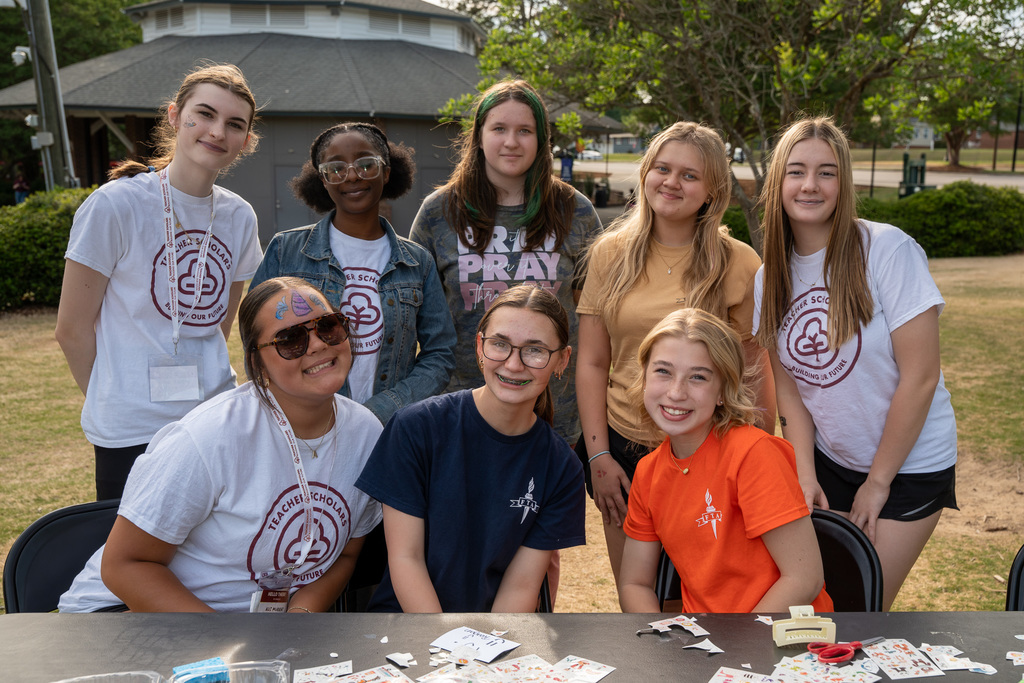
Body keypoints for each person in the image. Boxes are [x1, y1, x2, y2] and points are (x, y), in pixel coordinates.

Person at [58, 278, 383, 612]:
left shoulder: (366, 433)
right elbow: (125, 566)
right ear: (257, 364)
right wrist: (231, 651)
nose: (316, 345)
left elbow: (346, 552)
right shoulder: (208, 438)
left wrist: (299, 619)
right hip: (125, 616)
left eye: (328, 327)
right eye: (290, 340)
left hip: (258, 639)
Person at [754, 117, 958, 610]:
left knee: (857, 609)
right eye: (797, 171)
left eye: (826, 172)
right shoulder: (769, 279)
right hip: (831, 463)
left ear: (843, 183)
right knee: (819, 605)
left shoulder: (886, 249)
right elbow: (793, 396)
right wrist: (804, 473)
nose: (810, 185)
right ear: (778, 181)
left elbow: (921, 376)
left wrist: (878, 483)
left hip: (908, 467)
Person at [575, 121, 773, 584]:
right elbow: (591, 363)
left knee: (703, 586)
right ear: (645, 174)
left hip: (709, 448)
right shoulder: (610, 253)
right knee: (635, 587)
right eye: (662, 168)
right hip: (622, 449)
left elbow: (753, 371)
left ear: (712, 190)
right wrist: (598, 458)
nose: (671, 182)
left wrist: (758, 458)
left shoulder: (739, 261)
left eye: (689, 175)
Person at [55, 63, 263, 500]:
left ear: (246, 141)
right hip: (129, 432)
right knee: (130, 562)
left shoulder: (238, 215)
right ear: (174, 116)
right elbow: (71, 330)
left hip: (211, 422)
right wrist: (118, 395)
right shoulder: (116, 205)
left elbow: (216, 328)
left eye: (234, 124)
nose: (217, 132)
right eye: (204, 114)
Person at [355, 285, 586, 612]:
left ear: (562, 360)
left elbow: (520, 587)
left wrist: (485, 652)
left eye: (534, 350)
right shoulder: (416, 428)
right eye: (500, 344)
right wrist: (448, 652)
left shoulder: (562, 467)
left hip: (493, 640)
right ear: (479, 347)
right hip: (408, 629)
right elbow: (407, 559)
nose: (513, 364)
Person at [409, 79, 602, 445]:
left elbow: (595, 318)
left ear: (541, 140)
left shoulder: (574, 210)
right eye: (499, 129)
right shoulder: (439, 212)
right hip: (461, 412)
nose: (511, 142)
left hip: (555, 415)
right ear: (479, 136)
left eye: (524, 131)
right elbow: (418, 318)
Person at [618, 308, 831, 613]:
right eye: (663, 371)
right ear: (644, 377)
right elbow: (634, 584)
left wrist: (733, 647)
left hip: (788, 640)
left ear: (723, 391)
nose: (676, 392)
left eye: (698, 377)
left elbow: (804, 579)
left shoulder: (753, 453)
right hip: (710, 646)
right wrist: (659, 641)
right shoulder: (647, 473)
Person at [250, 122, 455, 426]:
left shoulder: (417, 262)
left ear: (386, 172)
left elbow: (440, 353)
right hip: (301, 427)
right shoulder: (285, 250)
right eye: (336, 168)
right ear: (322, 179)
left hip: (384, 431)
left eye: (366, 164)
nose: (352, 175)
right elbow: (256, 342)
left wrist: (380, 411)